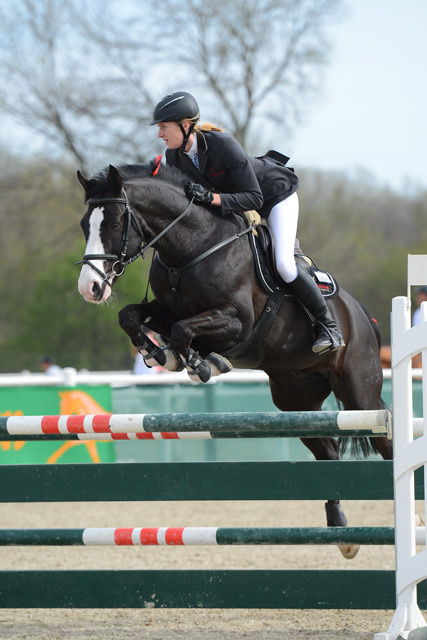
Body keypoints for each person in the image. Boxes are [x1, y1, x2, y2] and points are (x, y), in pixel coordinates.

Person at [149, 91, 345, 354]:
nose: (160, 134)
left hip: (275, 195)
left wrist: (212, 197)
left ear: (185, 126)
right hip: (237, 204)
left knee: (284, 264)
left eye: (164, 127)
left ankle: (329, 327)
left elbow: (254, 196)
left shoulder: (221, 144)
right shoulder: (174, 157)